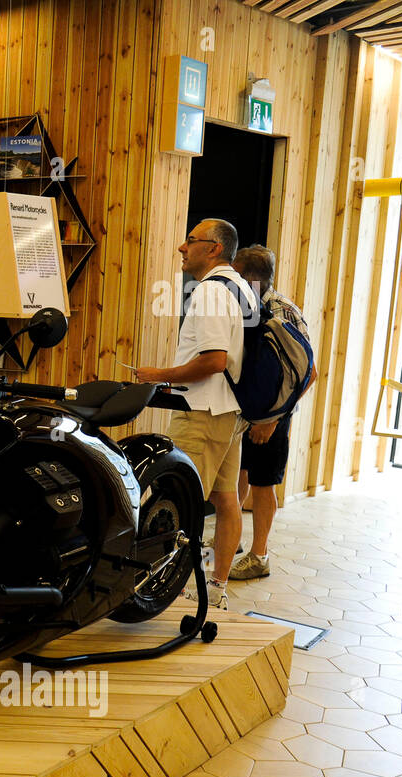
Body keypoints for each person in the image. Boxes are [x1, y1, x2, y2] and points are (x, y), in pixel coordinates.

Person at [136, 218, 253, 610]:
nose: (182, 248)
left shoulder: (210, 293)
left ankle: (167, 588)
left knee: (180, 500)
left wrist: (158, 375)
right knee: (225, 499)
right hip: (230, 412)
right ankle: (215, 588)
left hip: (202, 413)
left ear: (214, 248)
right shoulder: (241, 289)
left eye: (190, 241)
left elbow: (215, 360)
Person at [228, 245, 315, 581]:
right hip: (249, 410)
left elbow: (309, 373)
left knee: (264, 484)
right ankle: (231, 540)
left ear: (251, 278)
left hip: (273, 415)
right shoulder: (250, 306)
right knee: (239, 474)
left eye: (235, 273)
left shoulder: (281, 312)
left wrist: (274, 420)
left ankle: (259, 555)